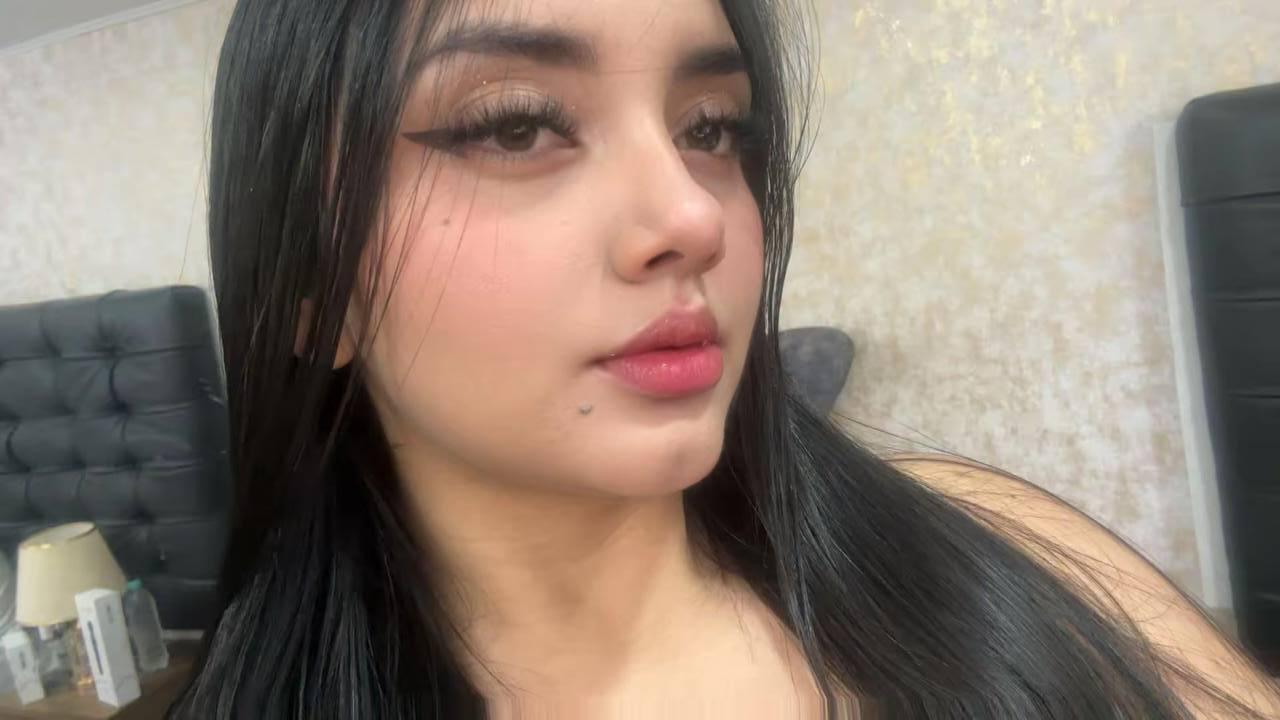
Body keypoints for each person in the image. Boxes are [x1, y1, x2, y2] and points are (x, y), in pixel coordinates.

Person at [170, 0, 1280, 717]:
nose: (691, 216)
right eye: (515, 125)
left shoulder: (1013, 550)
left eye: (710, 128)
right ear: (310, 288)